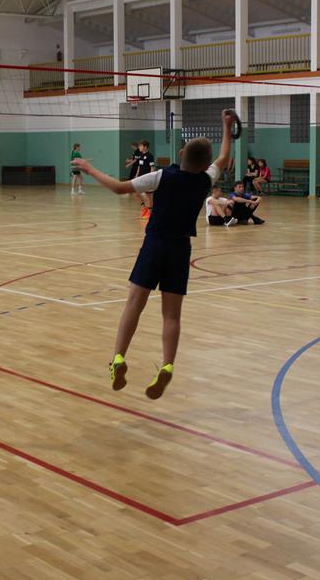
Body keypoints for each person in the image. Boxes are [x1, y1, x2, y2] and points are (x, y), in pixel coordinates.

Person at [74, 109, 234, 400]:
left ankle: (118, 358)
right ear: (204, 164)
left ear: (181, 153)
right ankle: (167, 365)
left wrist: (89, 168)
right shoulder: (204, 181)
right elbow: (223, 157)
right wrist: (227, 126)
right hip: (180, 249)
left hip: (155, 245)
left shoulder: (162, 176)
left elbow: (119, 188)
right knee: (171, 315)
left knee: (134, 304)